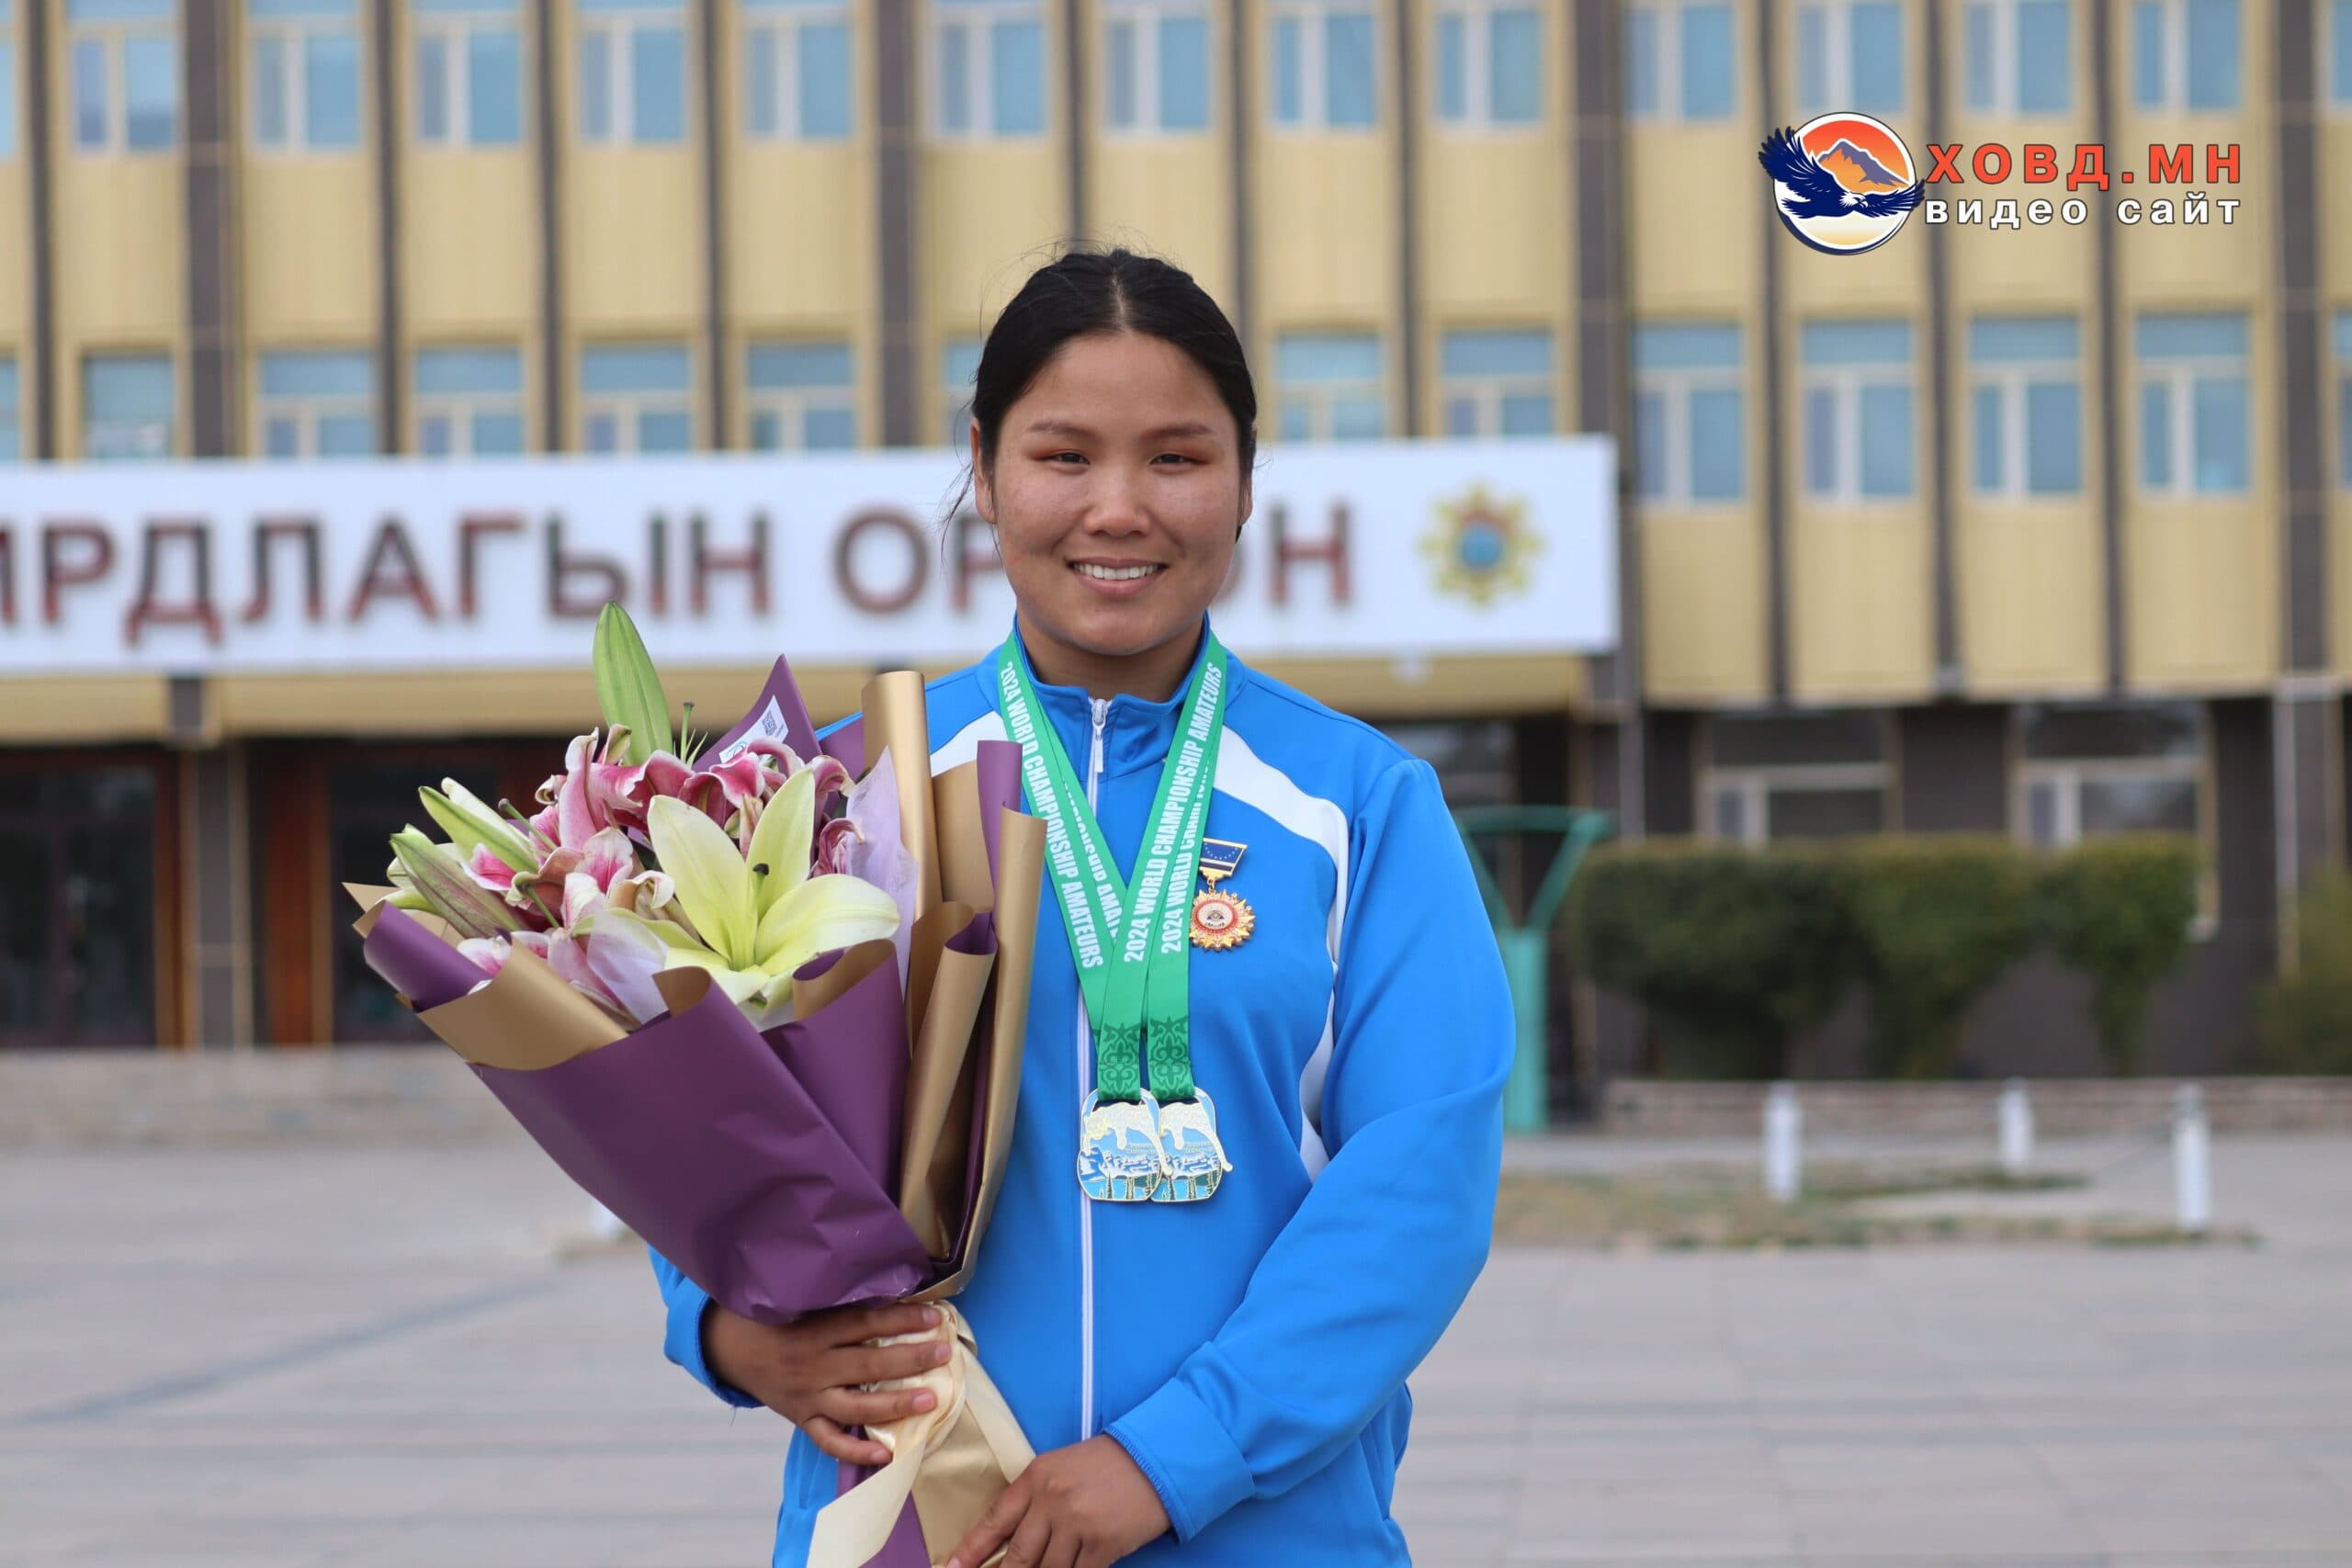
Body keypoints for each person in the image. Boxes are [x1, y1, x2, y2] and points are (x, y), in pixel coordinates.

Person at [650, 247, 1513, 1567]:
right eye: (1064, 458)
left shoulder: (1357, 803)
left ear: (1243, 479)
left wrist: (1173, 1462)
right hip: (915, 1527)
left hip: (1270, 1534)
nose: (1120, 508)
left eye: (1176, 458)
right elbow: (703, 1130)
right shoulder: (841, 790)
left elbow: (1420, 1181)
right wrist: (722, 1326)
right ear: (987, 470)